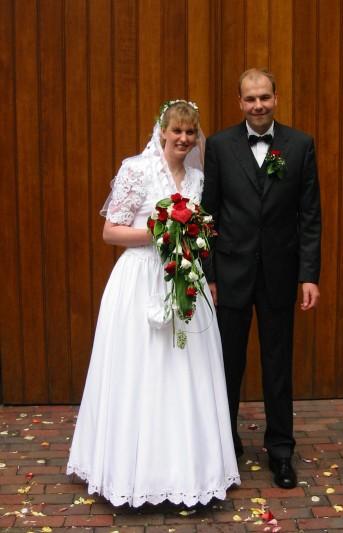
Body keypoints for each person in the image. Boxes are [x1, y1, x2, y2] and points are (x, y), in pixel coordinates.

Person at [67, 100, 240, 507]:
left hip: (183, 280)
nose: (183, 138)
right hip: (140, 279)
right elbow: (111, 232)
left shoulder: (197, 179)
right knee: (140, 371)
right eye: (176, 131)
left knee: (183, 373)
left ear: (196, 138)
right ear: (161, 131)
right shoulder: (136, 170)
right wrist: (161, 228)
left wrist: (190, 244)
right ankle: (131, 470)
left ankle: (186, 470)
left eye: (190, 133)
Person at [202, 69, 321, 489]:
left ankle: (281, 452)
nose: (258, 105)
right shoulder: (218, 146)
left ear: (276, 98)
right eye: (250, 98)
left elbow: (309, 215)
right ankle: (224, 444)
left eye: (265, 97)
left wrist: (309, 275)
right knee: (226, 366)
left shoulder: (299, 145)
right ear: (239, 102)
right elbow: (208, 214)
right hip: (231, 274)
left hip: (279, 274)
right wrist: (210, 275)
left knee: (277, 368)